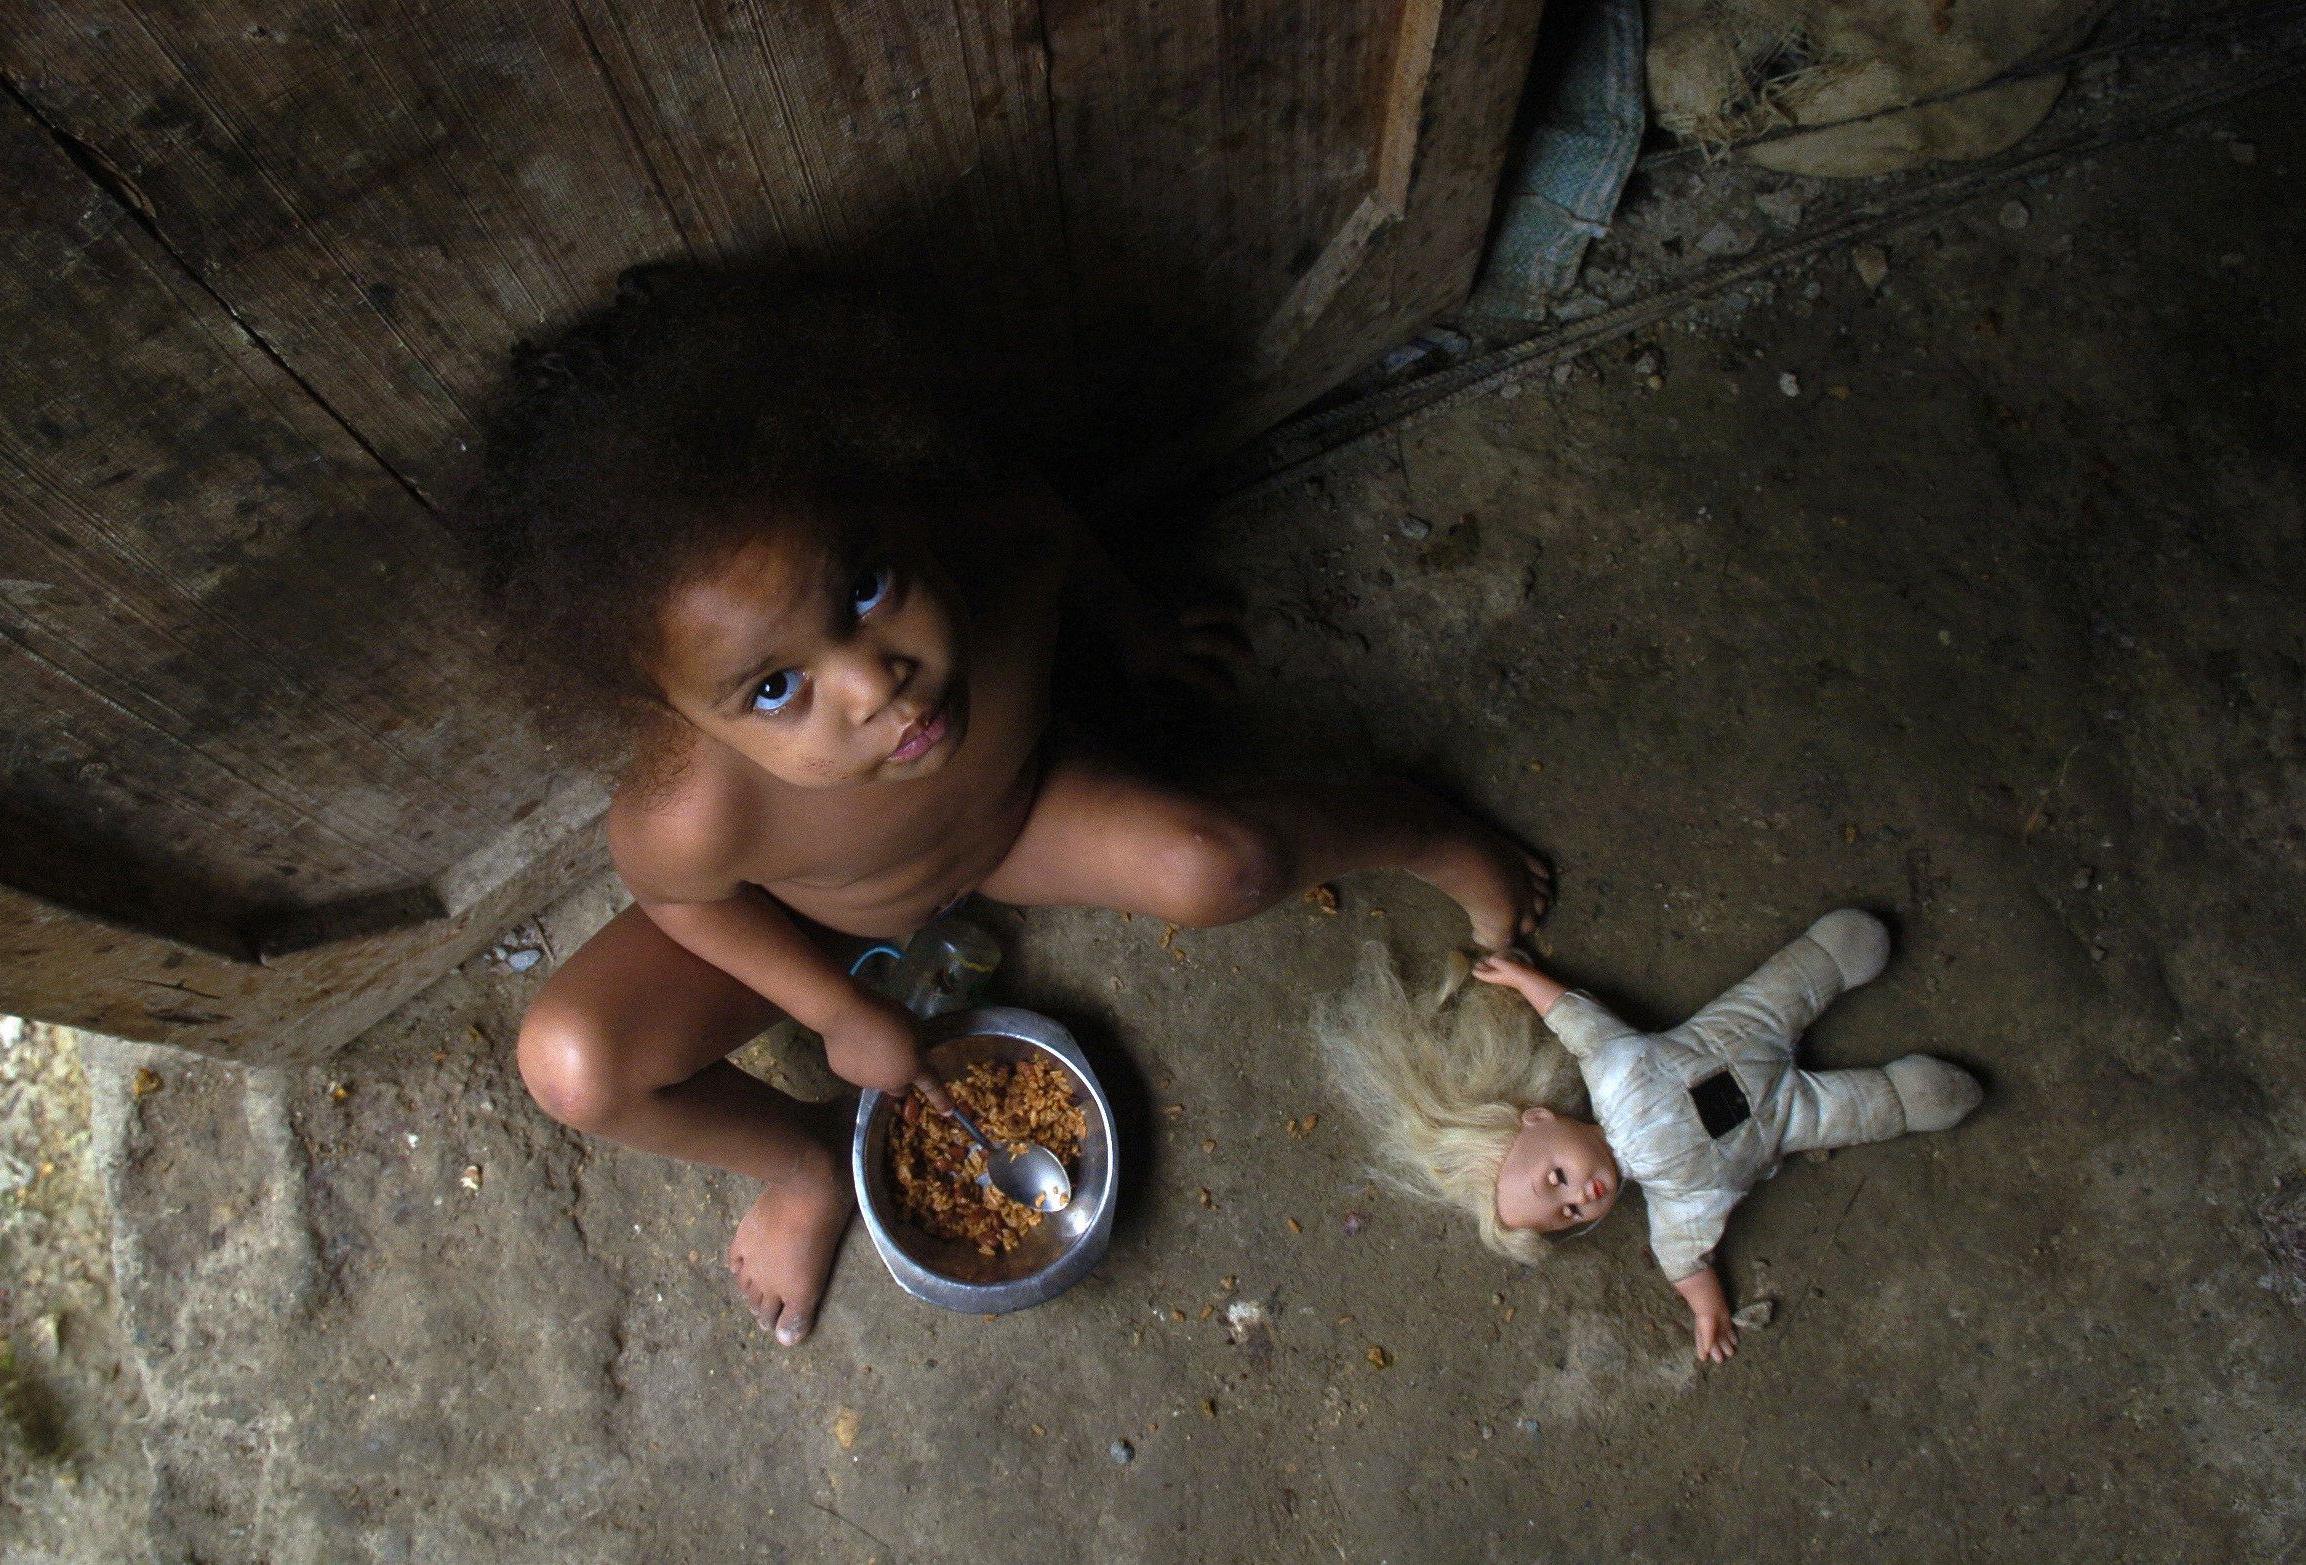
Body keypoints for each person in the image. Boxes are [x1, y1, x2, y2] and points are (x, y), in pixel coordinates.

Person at [461, 266, 1550, 1346]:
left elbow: (1051, 528)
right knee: (573, 1065)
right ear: (673, 708)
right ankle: (805, 1159)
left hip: (1014, 817)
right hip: (820, 915)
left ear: (884, 501)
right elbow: (684, 904)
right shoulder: (691, 810)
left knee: (1224, 866)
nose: (873, 682)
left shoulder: (992, 550)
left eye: (865, 586)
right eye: (774, 688)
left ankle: (1421, 823)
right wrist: (833, 1008)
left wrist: (1138, 632)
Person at [1316, 911, 1982, 1362]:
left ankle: (1830, 958)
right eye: (1571, 1211)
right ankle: (1908, 1094)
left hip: (1738, 1030)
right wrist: (1707, 1309)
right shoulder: (1674, 1199)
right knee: (1857, 1109)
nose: (1582, 1193)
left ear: (1540, 1117)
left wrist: (1522, 977)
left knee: (1783, 986)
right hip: (1793, 1116)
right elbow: (1684, 1261)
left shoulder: (1614, 1072)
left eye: (1557, 1179)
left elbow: (1572, 1018)